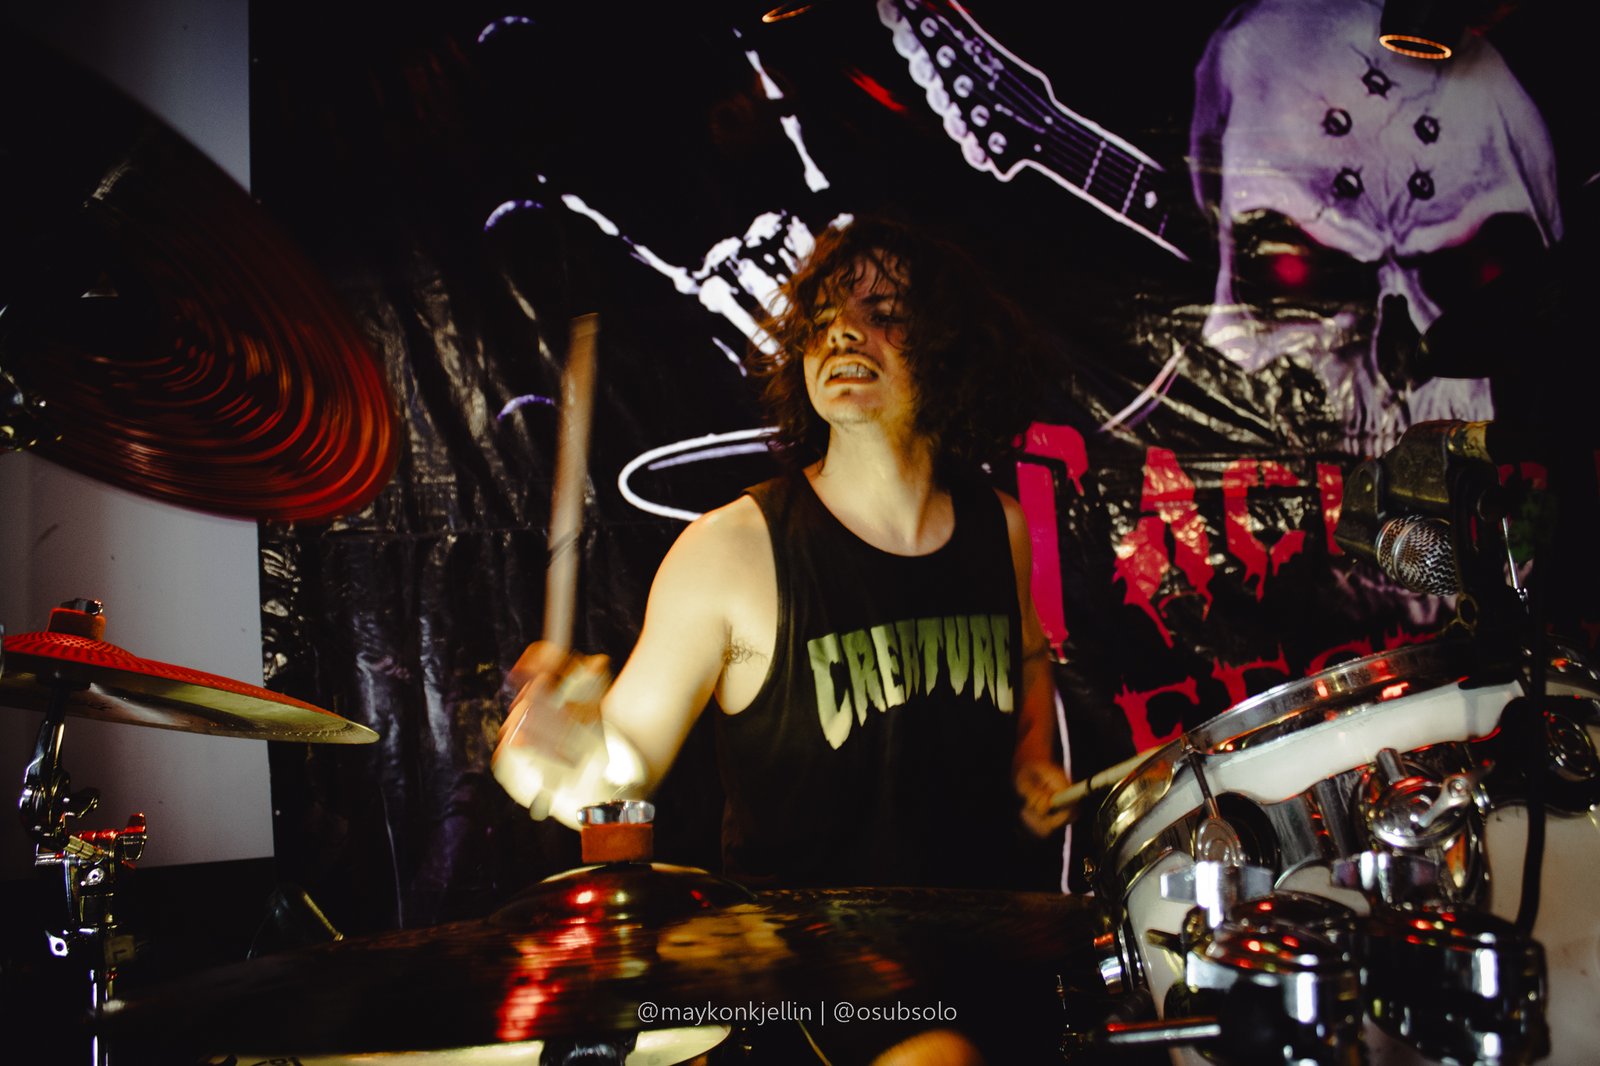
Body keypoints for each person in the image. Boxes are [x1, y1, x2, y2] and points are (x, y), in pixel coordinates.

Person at [496, 215, 1073, 1062]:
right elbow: (618, 771)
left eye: (884, 314)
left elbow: (1027, 656)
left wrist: (1030, 752)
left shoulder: (1001, 528)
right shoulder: (731, 551)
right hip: (813, 993)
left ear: (949, 347)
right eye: (825, 319)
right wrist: (553, 750)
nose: (843, 334)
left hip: (989, 953)